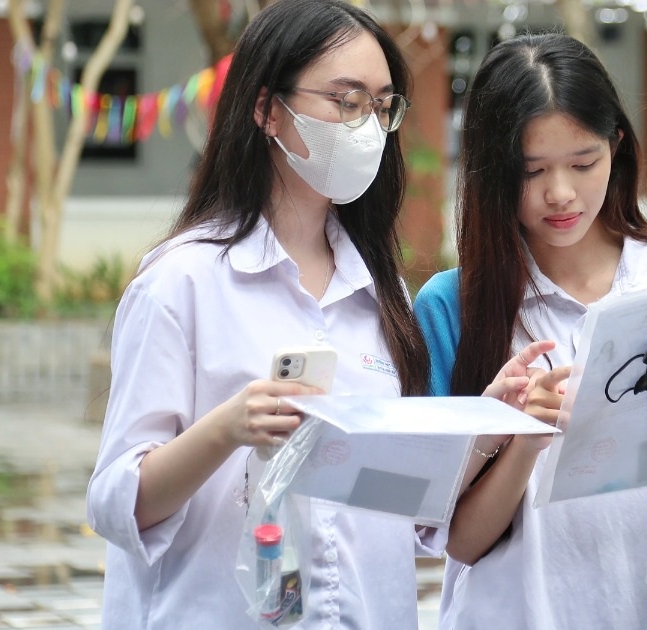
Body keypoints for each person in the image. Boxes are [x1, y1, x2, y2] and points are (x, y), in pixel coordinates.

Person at [86, 1, 437, 626]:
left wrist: (475, 435)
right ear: (267, 109)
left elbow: (395, 504)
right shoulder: (181, 283)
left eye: (383, 106)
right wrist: (227, 429)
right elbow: (119, 504)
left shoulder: (381, 290)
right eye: (345, 101)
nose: (368, 126)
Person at [414, 33, 647, 629]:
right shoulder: (455, 307)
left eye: (583, 163)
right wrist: (523, 435)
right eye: (532, 171)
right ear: (491, 173)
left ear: (617, 147)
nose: (561, 193)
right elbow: (462, 544)